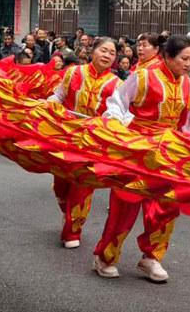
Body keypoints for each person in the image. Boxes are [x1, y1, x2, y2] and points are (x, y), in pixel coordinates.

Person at [93, 34, 190, 282]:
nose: (188, 64)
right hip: (139, 151)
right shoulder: (144, 76)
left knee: (165, 208)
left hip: (169, 154)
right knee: (125, 205)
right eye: (184, 59)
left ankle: (151, 257)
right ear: (168, 57)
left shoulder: (187, 85)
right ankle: (105, 256)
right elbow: (117, 103)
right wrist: (119, 127)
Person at [47, 37, 122, 249]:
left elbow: (118, 113)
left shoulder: (117, 84)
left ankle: (72, 231)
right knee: (61, 185)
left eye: (112, 53)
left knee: (83, 187)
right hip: (66, 138)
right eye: (104, 50)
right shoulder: (73, 73)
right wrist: (50, 105)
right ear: (93, 51)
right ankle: (66, 210)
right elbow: (58, 95)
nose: (107, 56)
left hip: (94, 143)